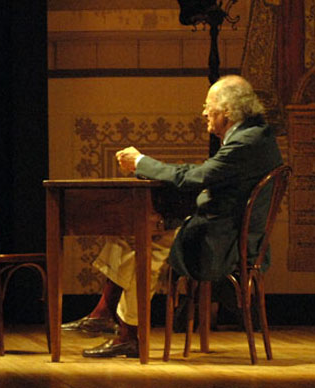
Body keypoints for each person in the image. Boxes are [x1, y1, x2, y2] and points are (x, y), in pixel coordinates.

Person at [61, 75, 282, 358]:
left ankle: (125, 332)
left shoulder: (247, 142)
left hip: (226, 245)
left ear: (227, 110)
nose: (204, 112)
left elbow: (198, 177)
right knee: (130, 237)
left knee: (146, 246)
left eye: (208, 105)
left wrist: (141, 163)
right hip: (226, 235)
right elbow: (205, 174)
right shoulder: (254, 136)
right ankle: (107, 317)